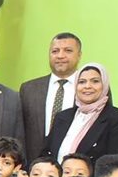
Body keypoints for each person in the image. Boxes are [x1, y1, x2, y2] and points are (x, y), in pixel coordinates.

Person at [47, 63, 118, 163]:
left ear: (105, 85)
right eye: (82, 82)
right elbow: (46, 153)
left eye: (95, 81)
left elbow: (116, 163)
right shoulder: (62, 117)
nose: (87, 86)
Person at [19, 32, 83, 162]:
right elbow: (20, 131)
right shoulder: (29, 89)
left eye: (68, 51)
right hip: (34, 164)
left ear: (79, 55)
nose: (60, 56)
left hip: (75, 165)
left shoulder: (90, 89)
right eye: (55, 51)